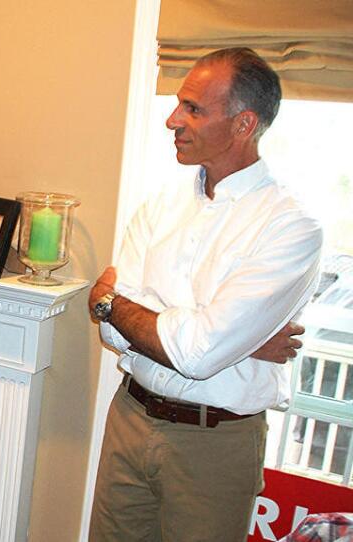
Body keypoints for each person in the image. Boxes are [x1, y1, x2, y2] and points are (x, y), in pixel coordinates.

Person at [88, 48, 323, 541]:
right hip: (129, 416)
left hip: (215, 444)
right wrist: (231, 338)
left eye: (193, 109)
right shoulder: (158, 206)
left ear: (244, 124)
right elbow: (117, 335)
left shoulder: (290, 226)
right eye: (178, 104)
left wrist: (114, 303)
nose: (174, 119)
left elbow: (194, 351)